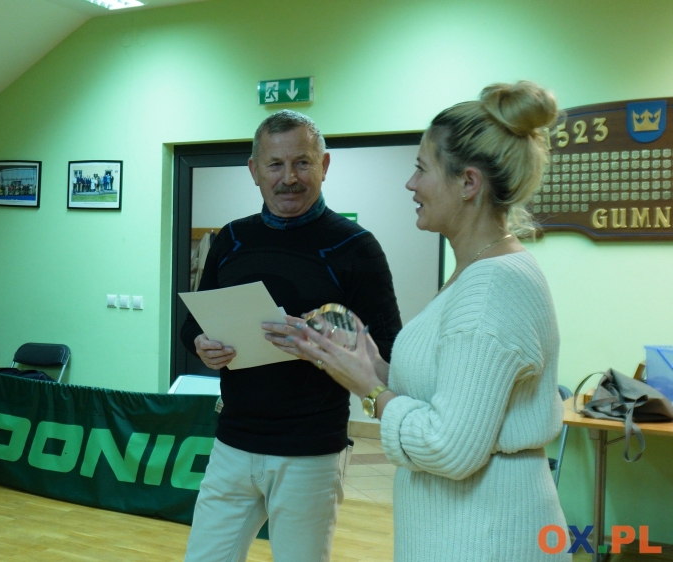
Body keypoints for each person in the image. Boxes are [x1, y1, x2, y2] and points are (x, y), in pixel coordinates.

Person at [273, 82, 571, 561]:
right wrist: (368, 360)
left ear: (468, 183)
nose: (411, 184)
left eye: (421, 168)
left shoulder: (492, 286)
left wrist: (369, 387)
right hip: (462, 532)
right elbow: (448, 395)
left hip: (486, 539)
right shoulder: (478, 272)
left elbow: (447, 446)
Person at [180, 110, 402, 562]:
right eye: (275, 165)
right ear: (254, 170)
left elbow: (389, 352)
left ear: (324, 165)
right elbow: (193, 327)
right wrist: (202, 346)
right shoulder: (231, 239)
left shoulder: (355, 247)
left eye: (302, 163)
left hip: (310, 452)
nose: (289, 178)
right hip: (232, 443)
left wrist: (322, 346)